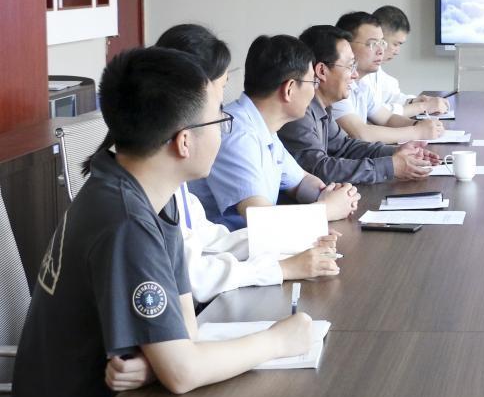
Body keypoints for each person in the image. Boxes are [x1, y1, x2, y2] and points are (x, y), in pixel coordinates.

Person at [3, 48, 314, 397]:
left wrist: (158, 366)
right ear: (184, 141)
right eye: (219, 118)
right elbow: (184, 372)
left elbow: (186, 333)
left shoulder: (149, 193)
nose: (224, 131)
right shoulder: (125, 219)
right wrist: (278, 341)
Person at [154, 24, 341, 302]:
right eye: (219, 98)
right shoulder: (236, 134)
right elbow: (196, 277)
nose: (222, 119)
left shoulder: (173, 182)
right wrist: (283, 267)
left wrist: (301, 236)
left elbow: (212, 240)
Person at [189, 34, 359, 230]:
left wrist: (331, 194)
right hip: (233, 246)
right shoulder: (238, 134)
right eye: (313, 82)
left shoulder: (263, 126)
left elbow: (300, 181)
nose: (315, 91)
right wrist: (327, 209)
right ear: (289, 89)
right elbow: (261, 221)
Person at [279, 24, 439, 184]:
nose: (355, 75)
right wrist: (390, 166)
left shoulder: (322, 106)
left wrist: (395, 152)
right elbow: (318, 169)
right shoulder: (299, 111)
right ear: (321, 71)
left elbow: (344, 147)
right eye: (350, 66)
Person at [332, 12, 444, 144]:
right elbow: (361, 133)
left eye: (382, 43)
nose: (381, 51)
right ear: (346, 46)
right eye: (372, 44)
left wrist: (420, 125)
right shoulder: (334, 85)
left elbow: (387, 118)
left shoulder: (361, 84)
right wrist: (417, 131)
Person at [371, 5, 450, 117]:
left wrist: (415, 101)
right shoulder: (358, 72)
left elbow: (390, 97)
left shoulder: (377, 72)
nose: (397, 52)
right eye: (395, 44)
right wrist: (423, 107)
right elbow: (374, 112)